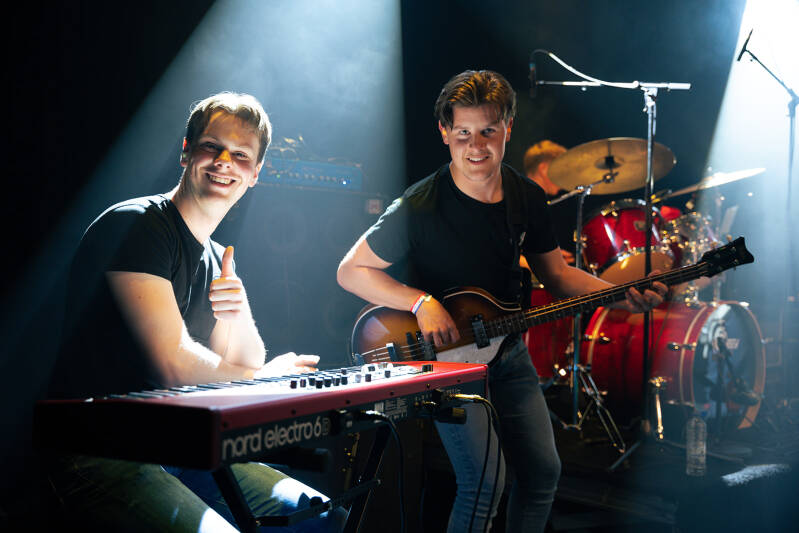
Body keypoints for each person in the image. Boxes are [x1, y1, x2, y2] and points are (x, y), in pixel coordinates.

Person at [336, 70, 667, 532]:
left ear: (508, 128)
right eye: (463, 133)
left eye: (488, 131)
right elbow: (351, 270)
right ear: (445, 132)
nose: (476, 146)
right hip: (449, 362)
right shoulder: (421, 204)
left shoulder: (525, 196)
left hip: (508, 352)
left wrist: (620, 298)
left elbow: (557, 276)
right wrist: (421, 303)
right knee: (484, 484)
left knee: (543, 474)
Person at [46, 92, 345, 532]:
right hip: (99, 452)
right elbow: (173, 364)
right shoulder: (140, 224)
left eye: (241, 155)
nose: (224, 161)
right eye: (212, 146)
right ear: (186, 152)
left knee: (322, 518)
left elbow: (241, 364)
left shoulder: (217, 256)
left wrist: (238, 312)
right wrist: (263, 381)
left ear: (255, 173)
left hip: (180, 448)